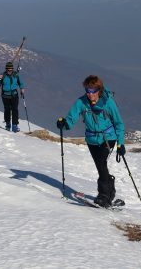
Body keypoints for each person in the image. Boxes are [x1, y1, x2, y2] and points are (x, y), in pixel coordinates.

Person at [57, 75, 126, 208]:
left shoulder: (108, 103)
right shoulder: (81, 102)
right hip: (91, 140)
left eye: (93, 91)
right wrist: (63, 124)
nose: (90, 94)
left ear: (99, 90)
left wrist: (120, 144)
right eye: (88, 91)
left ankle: (104, 196)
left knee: (101, 164)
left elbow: (119, 123)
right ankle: (109, 189)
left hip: (108, 138)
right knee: (100, 166)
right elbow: (71, 119)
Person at [0, 61, 25, 132]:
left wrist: (22, 88)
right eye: (8, 70)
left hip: (14, 95)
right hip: (5, 96)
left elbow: (21, 83)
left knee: (15, 110)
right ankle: (8, 124)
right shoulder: (3, 76)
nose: (9, 71)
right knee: (7, 110)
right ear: (6, 69)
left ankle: (14, 126)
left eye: (11, 70)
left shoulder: (16, 75)